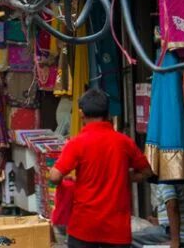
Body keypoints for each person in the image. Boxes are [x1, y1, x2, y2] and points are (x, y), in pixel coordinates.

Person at [49, 88, 153, 248]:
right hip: (117, 229)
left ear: (81, 113)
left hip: (84, 227)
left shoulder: (77, 143)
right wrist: (123, 176)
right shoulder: (124, 142)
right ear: (107, 113)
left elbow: (55, 177)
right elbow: (146, 172)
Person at [131, 183, 184, 248]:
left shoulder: (166, 180)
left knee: (127, 239)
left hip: (183, 236)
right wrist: (159, 220)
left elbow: (172, 206)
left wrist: (175, 241)